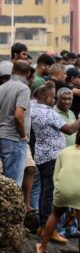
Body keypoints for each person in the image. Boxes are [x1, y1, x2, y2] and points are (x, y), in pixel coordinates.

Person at [31, 84, 80, 236]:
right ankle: (49, 229)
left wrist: (46, 87)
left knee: (46, 191)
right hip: (52, 157)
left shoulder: (33, 108)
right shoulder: (50, 113)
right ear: (47, 98)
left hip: (42, 155)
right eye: (54, 97)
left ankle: (45, 227)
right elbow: (69, 130)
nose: (55, 99)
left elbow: (34, 95)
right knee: (50, 193)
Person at [0, 60, 31, 188]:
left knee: (5, 184)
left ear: (12, 71)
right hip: (14, 139)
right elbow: (18, 115)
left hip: (2, 136)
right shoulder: (23, 89)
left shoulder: (2, 87)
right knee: (13, 186)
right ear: (28, 74)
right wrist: (23, 136)